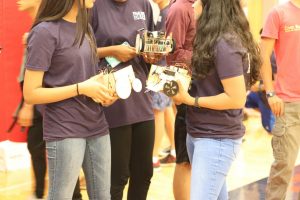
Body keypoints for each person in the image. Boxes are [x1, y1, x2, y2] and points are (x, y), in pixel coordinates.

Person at [23, 0, 117, 199]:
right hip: (64, 129)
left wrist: (105, 91)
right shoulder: (44, 32)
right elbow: (31, 93)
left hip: (97, 126)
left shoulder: (86, 28)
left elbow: (89, 77)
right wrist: (80, 88)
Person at [173, 0, 261, 199]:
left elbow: (236, 98)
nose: (193, 4)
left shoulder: (225, 43)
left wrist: (191, 100)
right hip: (200, 133)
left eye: (198, 1)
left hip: (216, 138)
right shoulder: (213, 40)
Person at [16, 0, 82, 199]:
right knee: (39, 147)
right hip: (43, 103)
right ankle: (39, 193)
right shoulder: (40, 28)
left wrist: (28, 105)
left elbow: (42, 76)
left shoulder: (44, 30)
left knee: (59, 154)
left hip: (49, 105)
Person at [91, 1, 155, 199]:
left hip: (141, 100)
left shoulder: (143, 5)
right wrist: (111, 50)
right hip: (111, 102)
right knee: (116, 177)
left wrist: (152, 54)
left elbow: (150, 44)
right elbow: (78, 51)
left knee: (144, 173)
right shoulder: (92, 6)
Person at [260, 0, 300, 199]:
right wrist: (270, 93)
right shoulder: (279, 12)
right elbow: (263, 56)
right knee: (283, 171)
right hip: (288, 105)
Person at [165, 0, 195, 199]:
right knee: (184, 160)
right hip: (185, 90)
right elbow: (173, 53)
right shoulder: (179, 8)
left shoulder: (194, 7)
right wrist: (206, 55)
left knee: (192, 161)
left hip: (198, 90)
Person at [150, 0, 176, 170]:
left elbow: (168, 45)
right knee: (165, 109)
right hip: (162, 66)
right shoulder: (163, 12)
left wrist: (145, 47)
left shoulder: (167, 13)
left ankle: (153, 157)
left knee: (157, 111)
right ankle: (174, 150)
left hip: (161, 67)